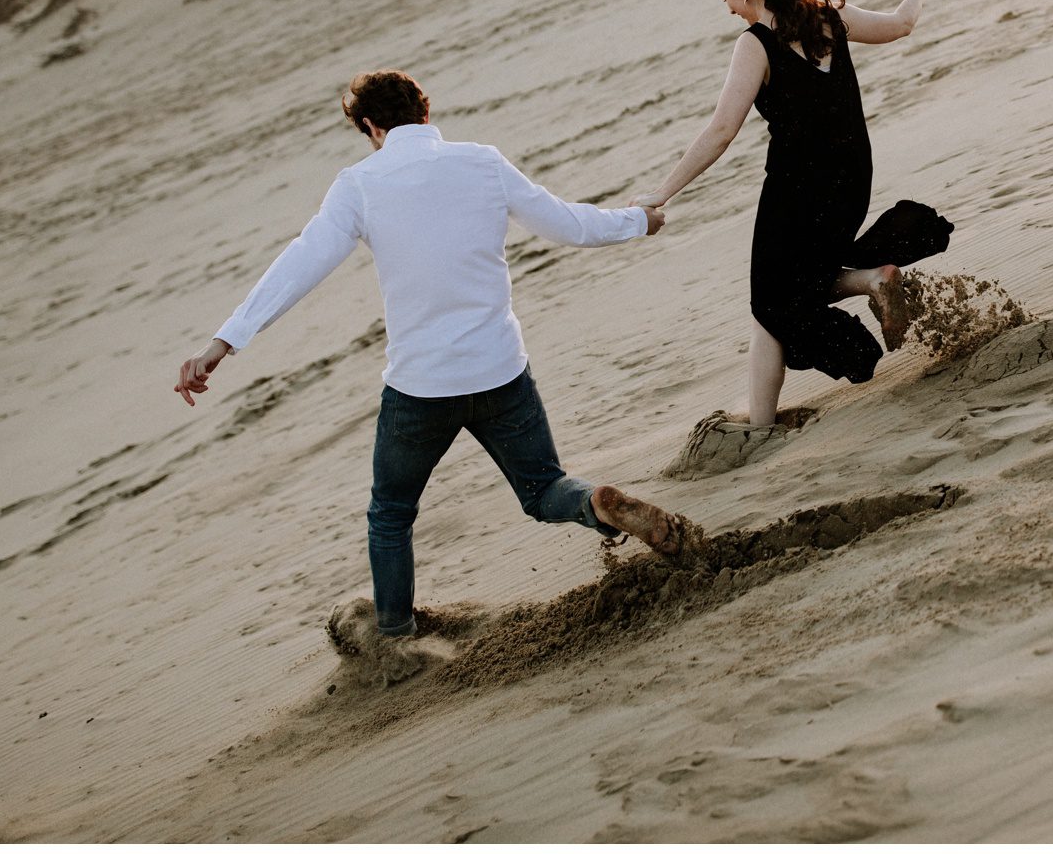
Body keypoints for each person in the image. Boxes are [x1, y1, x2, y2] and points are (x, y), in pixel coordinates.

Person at [173, 69, 691, 644]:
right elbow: (567, 224)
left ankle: (394, 635)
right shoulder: (483, 162)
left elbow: (300, 265)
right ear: (426, 112)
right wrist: (637, 221)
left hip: (421, 388)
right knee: (544, 490)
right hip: (500, 373)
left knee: (391, 514)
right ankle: (597, 503)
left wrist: (224, 341)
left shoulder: (359, 184)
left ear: (370, 127)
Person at [633, 0, 953, 427]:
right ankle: (869, 280)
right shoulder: (828, 15)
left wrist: (661, 192)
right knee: (793, 288)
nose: (728, 10)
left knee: (770, 303)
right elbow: (901, 25)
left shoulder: (756, 43)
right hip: (853, 175)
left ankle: (760, 426)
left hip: (796, 188)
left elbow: (722, 129)